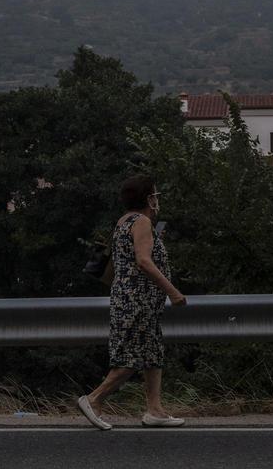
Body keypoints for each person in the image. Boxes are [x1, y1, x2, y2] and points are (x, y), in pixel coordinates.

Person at [78, 175, 187, 429]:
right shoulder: (142, 222)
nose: (157, 199)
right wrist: (172, 292)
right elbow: (143, 261)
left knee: (152, 354)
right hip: (136, 301)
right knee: (131, 357)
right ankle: (94, 399)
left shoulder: (124, 221)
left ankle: (155, 410)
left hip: (138, 300)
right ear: (148, 198)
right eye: (154, 194)